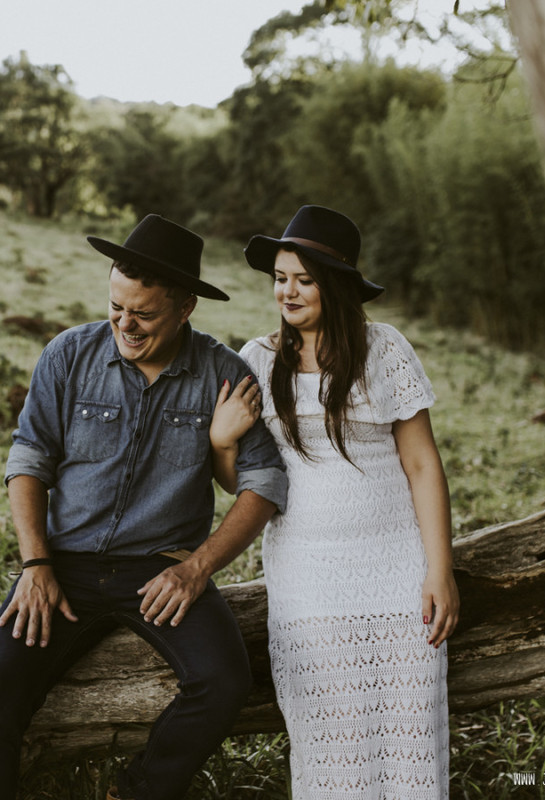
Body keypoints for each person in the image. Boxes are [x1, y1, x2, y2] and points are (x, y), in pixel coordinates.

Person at [0, 214, 288, 800]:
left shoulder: (224, 374)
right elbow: (28, 460)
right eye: (116, 308)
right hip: (62, 565)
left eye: (144, 314)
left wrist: (197, 569)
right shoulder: (68, 354)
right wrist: (35, 565)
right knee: (0, 691)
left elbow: (264, 484)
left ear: (185, 307)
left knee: (224, 681)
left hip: (162, 570)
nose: (125, 325)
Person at [210, 205, 459, 798]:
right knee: (329, 736)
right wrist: (221, 441)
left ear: (337, 285)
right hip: (307, 575)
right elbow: (239, 482)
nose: (287, 292)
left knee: (408, 732)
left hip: (396, 569)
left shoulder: (384, 350)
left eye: (304, 279)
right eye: (280, 278)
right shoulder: (257, 360)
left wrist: (440, 570)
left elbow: (423, 465)